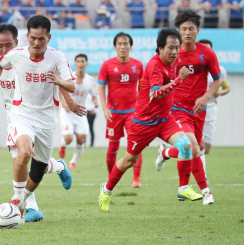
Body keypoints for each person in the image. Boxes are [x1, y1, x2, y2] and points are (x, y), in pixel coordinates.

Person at [0, 23, 85, 222]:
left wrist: (70, 101)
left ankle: (56, 167)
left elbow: (57, 79)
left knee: (35, 164)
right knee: (21, 158)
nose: (4, 50)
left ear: (17, 42)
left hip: (43, 117)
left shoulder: (35, 59)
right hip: (17, 118)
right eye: (0, 45)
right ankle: (26, 207)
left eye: (8, 45)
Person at [0, 16, 78, 220]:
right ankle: (19, 202)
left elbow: (72, 86)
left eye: (41, 39)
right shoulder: (16, 54)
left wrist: (59, 81)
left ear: (49, 37)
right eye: (33, 38)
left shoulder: (57, 57)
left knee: (38, 171)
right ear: (27, 36)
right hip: (22, 114)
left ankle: (25, 195)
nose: (36, 43)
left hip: (46, 119)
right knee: (24, 151)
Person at [99, 28, 195, 212]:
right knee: (128, 161)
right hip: (143, 123)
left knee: (186, 144)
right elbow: (156, 93)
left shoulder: (173, 62)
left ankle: (182, 188)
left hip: (164, 119)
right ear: (160, 48)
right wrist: (178, 81)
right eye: (170, 48)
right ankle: (107, 189)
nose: (175, 52)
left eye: (177, 48)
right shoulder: (154, 65)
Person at [155, 10, 222, 205]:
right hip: (176, 109)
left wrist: (206, 96)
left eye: (191, 28)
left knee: (197, 148)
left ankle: (166, 152)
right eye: (183, 29)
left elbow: (218, 80)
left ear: (198, 31)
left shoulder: (207, 53)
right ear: (178, 31)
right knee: (192, 147)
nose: (187, 32)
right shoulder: (172, 54)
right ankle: (205, 191)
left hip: (199, 111)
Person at [98, 32, 144, 188]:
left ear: (130, 46)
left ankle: (136, 179)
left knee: (136, 145)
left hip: (133, 113)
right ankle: (112, 179)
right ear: (115, 46)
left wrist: (143, 108)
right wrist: (105, 108)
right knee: (113, 147)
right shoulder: (107, 65)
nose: (123, 47)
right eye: (120, 44)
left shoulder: (138, 65)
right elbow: (101, 87)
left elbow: (142, 87)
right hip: (114, 113)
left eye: (126, 44)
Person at [198, 39, 230, 182]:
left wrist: (219, 93)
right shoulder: (194, 68)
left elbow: (226, 87)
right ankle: (202, 177)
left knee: (207, 148)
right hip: (195, 109)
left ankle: (167, 152)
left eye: (209, 50)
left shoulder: (219, 70)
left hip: (211, 109)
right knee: (200, 145)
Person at [59, 54, 98, 169]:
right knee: (69, 138)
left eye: (83, 61)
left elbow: (94, 95)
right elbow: (59, 91)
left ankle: (73, 162)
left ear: (86, 64)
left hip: (80, 113)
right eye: (78, 61)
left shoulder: (90, 80)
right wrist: (64, 103)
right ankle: (62, 145)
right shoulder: (69, 78)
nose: (80, 64)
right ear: (75, 64)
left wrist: (95, 102)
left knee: (81, 139)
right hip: (67, 113)